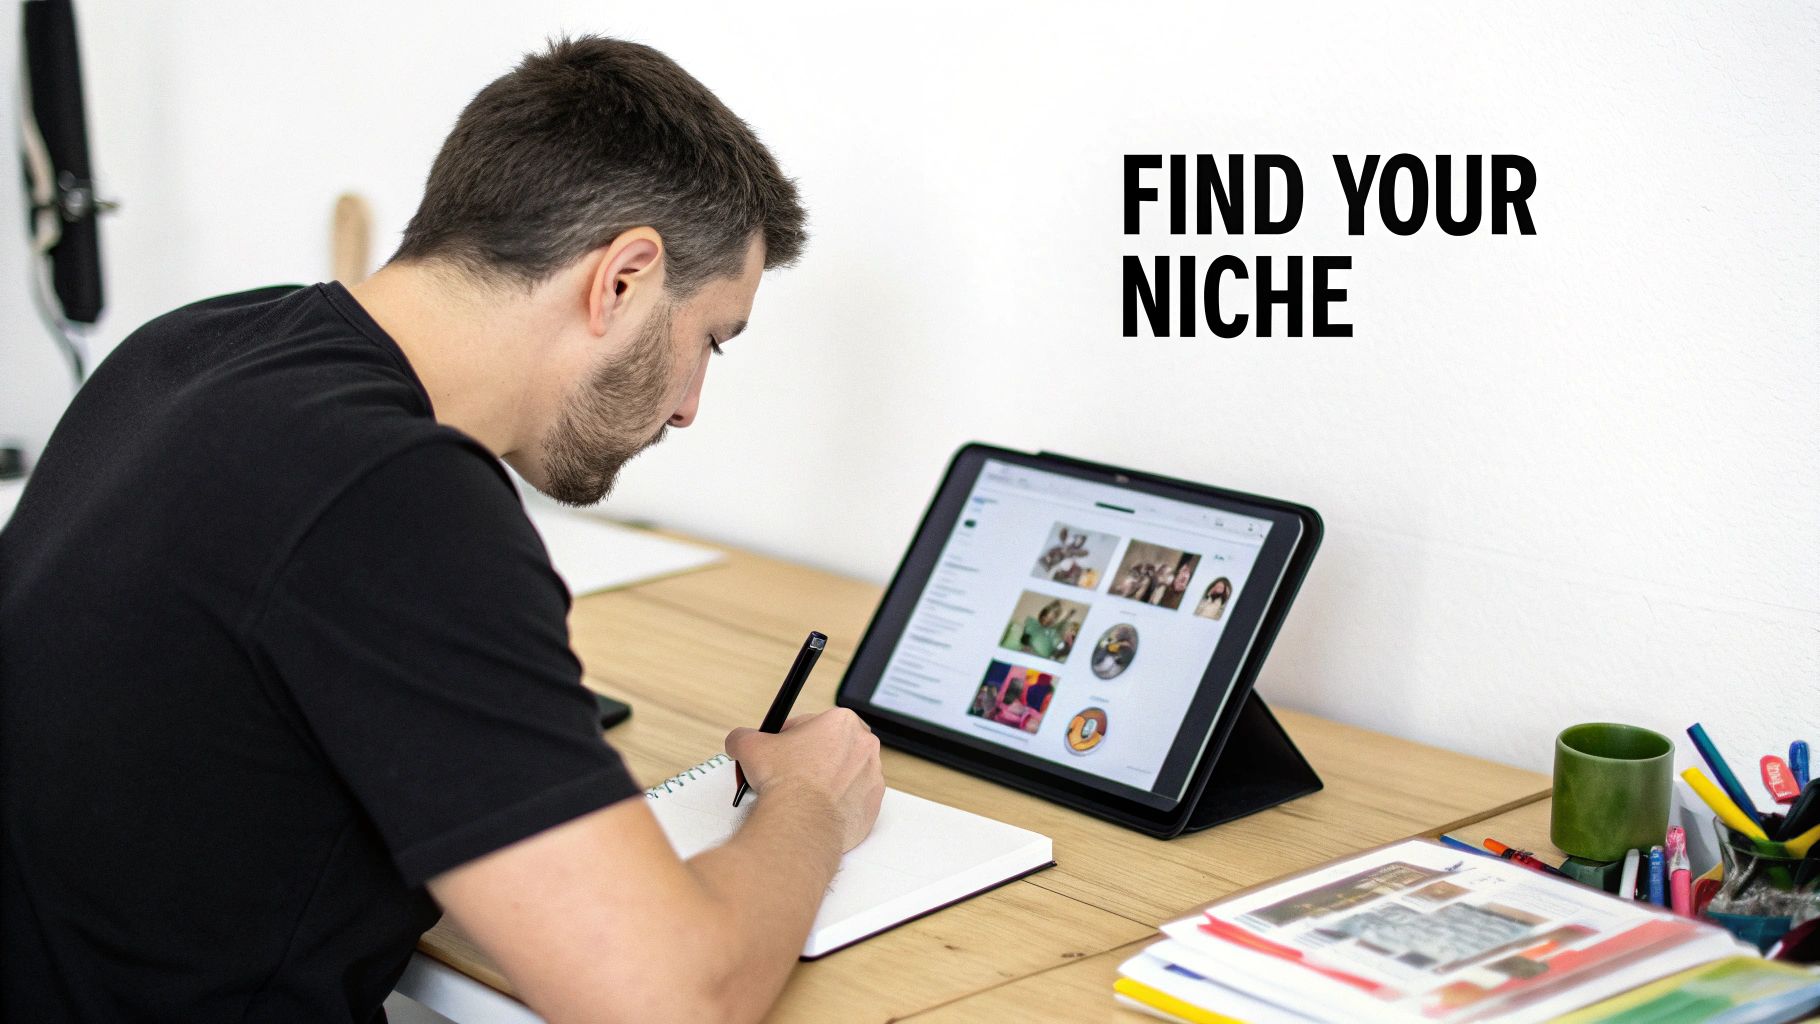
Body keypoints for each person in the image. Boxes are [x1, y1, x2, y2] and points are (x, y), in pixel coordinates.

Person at [0, 37, 885, 1024]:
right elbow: (671, 1000)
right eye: (708, 341)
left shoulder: (191, 348)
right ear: (624, 278)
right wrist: (809, 800)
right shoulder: (395, 495)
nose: (687, 407)